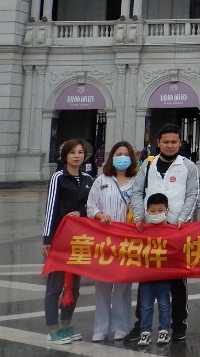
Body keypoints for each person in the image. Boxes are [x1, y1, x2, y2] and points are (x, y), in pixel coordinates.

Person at [128, 123, 199, 342]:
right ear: (158, 143)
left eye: (174, 142)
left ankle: (178, 324)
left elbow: (192, 194)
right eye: (165, 142)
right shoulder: (148, 166)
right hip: (151, 230)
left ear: (180, 143)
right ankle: (142, 324)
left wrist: (182, 219)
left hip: (176, 230)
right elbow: (137, 191)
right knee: (146, 279)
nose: (170, 146)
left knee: (178, 280)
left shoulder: (188, 166)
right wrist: (139, 215)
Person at [43, 138, 93, 344]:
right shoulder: (58, 178)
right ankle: (52, 328)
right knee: (55, 285)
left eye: (80, 152)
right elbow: (51, 207)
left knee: (74, 285)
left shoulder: (89, 179)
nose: (76, 156)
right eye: (72, 152)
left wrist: (80, 213)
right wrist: (47, 238)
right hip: (59, 238)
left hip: (79, 240)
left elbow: (90, 208)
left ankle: (66, 324)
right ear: (65, 156)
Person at [86, 141, 137, 343]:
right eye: (118, 153)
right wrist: (100, 215)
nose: (122, 157)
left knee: (123, 287)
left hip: (127, 241)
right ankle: (100, 327)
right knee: (102, 285)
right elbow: (90, 206)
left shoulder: (137, 181)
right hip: (104, 240)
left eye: (126, 154)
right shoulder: (101, 180)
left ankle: (121, 327)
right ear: (112, 157)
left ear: (131, 158)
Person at [137, 194, 175, 347]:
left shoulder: (172, 229)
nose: (156, 214)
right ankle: (145, 332)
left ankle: (164, 330)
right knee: (145, 305)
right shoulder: (141, 230)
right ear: (147, 211)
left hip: (164, 275)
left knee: (164, 303)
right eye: (152, 211)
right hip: (146, 274)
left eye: (160, 210)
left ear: (167, 210)